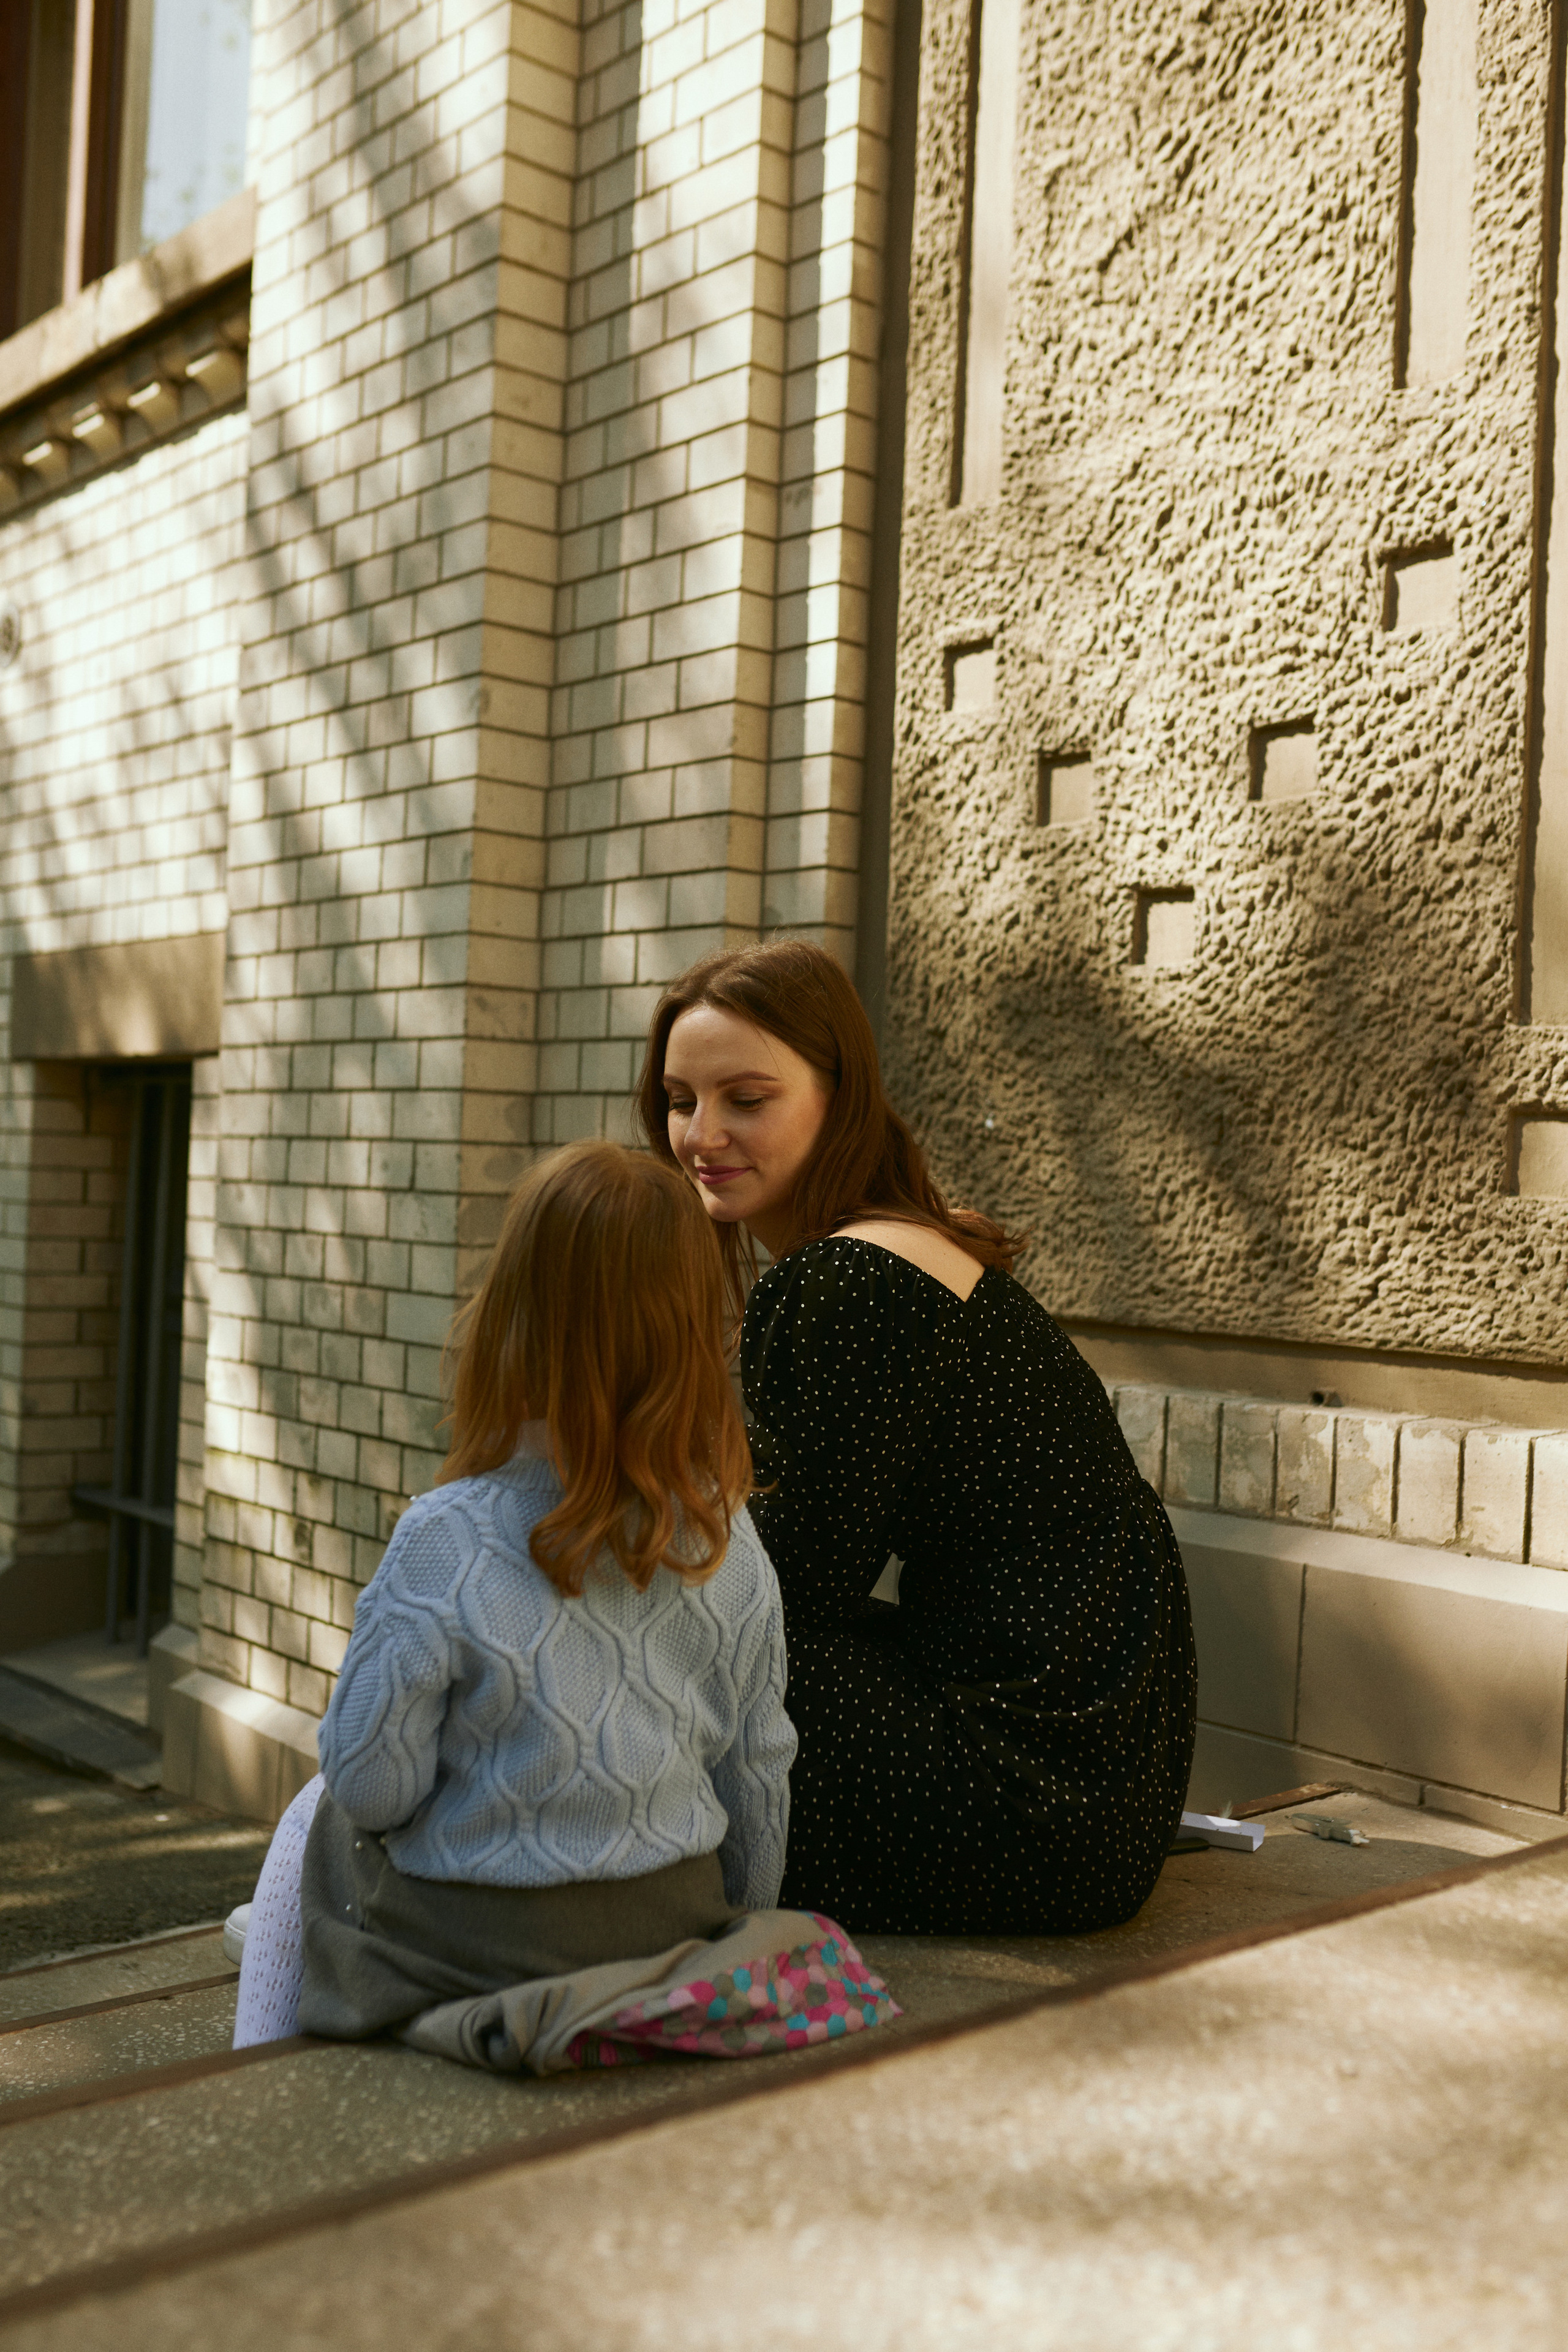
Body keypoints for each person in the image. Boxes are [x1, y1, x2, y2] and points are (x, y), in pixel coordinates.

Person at [635, 940, 1197, 1938]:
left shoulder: (846, 1282)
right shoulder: (908, 1247)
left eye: (747, 1099)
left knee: (664, 1645)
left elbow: (793, 1584)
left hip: (1034, 1800)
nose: (703, 1134)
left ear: (840, 1098)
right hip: (1095, 1791)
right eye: (682, 1100)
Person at [230, 1140, 799, 2051]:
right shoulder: (732, 1537)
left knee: (318, 1815)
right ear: (698, 1332)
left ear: (510, 1314)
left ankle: (263, 2055)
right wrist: (724, 1928)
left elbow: (375, 1787)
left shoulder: (445, 1536)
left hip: (479, 1946)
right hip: (671, 1929)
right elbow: (758, 1779)